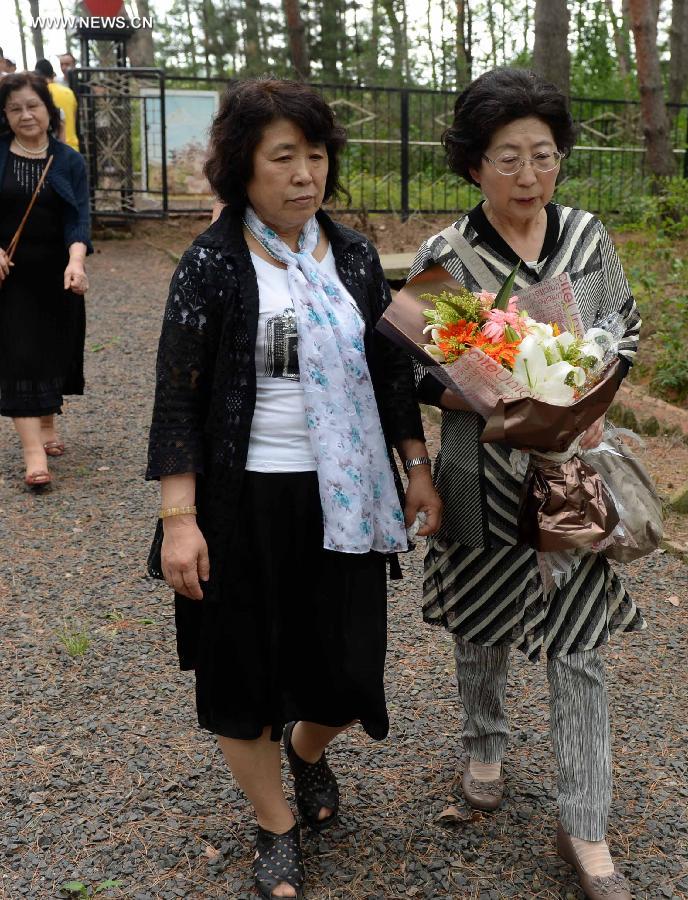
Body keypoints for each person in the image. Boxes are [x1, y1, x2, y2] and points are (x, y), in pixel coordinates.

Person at [146, 77, 442, 899]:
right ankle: (274, 823)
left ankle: (307, 752)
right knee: (242, 677)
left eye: (316, 155)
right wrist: (180, 518)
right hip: (243, 502)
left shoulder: (348, 254)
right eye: (284, 157)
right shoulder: (211, 263)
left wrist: (416, 466)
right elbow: (179, 396)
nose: (304, 173)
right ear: (243, 167)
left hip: (343, 499)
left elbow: (390, 373)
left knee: (349, 672)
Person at [410, 68, 644, 900]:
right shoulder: (448, 256)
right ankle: (483, 746)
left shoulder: (586, 237)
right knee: (481, 624)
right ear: (473, 164)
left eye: (543, 156)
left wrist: (593, 371)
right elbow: (419, 370)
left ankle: (585, 824)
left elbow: (626, 324)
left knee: (580, 641)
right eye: (507, 158)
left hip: (571, 473)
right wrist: (497, 395)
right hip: (481, 470)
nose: (528, 176)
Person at [0, 73, 90, 488]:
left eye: (32, 106)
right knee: (20, 355)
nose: (25, 115)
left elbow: (78, 219)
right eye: (15, 108)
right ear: (5, 114)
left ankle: (47, 423)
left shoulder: (69, 160)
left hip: (57, 274)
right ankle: (33, 453)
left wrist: (77, 262)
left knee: (53, 350)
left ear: (48, 110)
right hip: (11, 276)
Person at [34, 58, 79, 151]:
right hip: (73, 147)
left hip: (54, 150)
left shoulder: (40, 94)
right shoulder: (69, 92)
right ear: (52, 74)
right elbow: (74, 118)